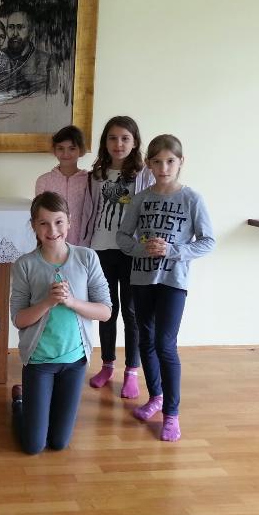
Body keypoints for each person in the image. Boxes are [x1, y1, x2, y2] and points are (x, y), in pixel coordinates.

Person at [116, 134, 215, 442]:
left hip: (173, 282)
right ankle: (155, 397)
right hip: (142, 280)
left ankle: (172, 414)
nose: (163, 168)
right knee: (145, 339)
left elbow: (208, 242)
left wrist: (173, 251)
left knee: (165, 344)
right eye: (157, 162)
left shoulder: (192, 199)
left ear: (181, 162)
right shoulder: (140, 199)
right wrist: (141, 248)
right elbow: (123, 237)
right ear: (148, 164)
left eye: (170, 161)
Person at [10, 192, 111, 455]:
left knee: (59, 442)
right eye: (43, 223)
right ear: (34, 226)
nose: (52, 230)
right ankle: (20, 402)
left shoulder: (87, 258)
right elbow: (18, 319)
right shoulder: (24, 265)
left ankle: (40, 406)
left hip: (74, 363)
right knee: (34, 446)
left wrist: (72, 301)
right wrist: (47, 302)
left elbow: (105, 312)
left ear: (69, 222)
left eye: (58, 222)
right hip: (39, 363)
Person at [81, 116, 155, 399]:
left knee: (132, 313)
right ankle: (107, 365)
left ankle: (132, 371)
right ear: (105, 142)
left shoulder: (144, 175)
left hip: (132, 251)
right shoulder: (96, 175)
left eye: (125, 138)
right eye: (112, 138)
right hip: (101, 248)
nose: (119, 144)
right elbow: (90, 210)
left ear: (135, 142)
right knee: (106, 310)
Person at [35, 125, 89, 247]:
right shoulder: (43, 181)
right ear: (54, 150)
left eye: (72, 148)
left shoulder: (90, 181)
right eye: (60, 148)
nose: (66, 153)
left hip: (83, 244)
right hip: (52, 242)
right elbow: (40, 216)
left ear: (80, 150)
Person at [4, 11, 53, 94]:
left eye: (20, 27)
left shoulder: (47, 61)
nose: (15, 33)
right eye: (11, 27)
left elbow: (52, 96)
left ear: (30, 31)